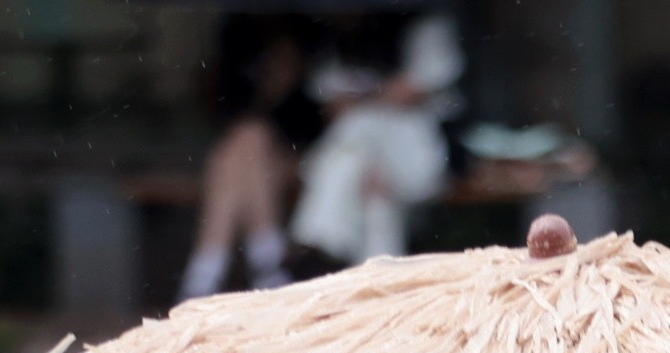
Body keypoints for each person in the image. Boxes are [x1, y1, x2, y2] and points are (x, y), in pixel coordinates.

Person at [291, 12, 465, 266]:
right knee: (374, 197)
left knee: (358, 126)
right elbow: (333, 104)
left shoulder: (426, 24)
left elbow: (410, 90)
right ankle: (382, 281)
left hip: (418, 156)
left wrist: (364, 99)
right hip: (372, 168)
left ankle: (317, 238)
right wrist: (377, 95)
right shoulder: (337, 37)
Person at [180, 16, 328, 302]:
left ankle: (203, 272)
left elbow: (316, 147)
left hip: (300, 167)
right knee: (237, 155)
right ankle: (268, 265)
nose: (279, 67)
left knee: (243, 146)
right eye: (273, 61)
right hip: (258, 171)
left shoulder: (308, 101)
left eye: (287, 60)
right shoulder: (246, 96)